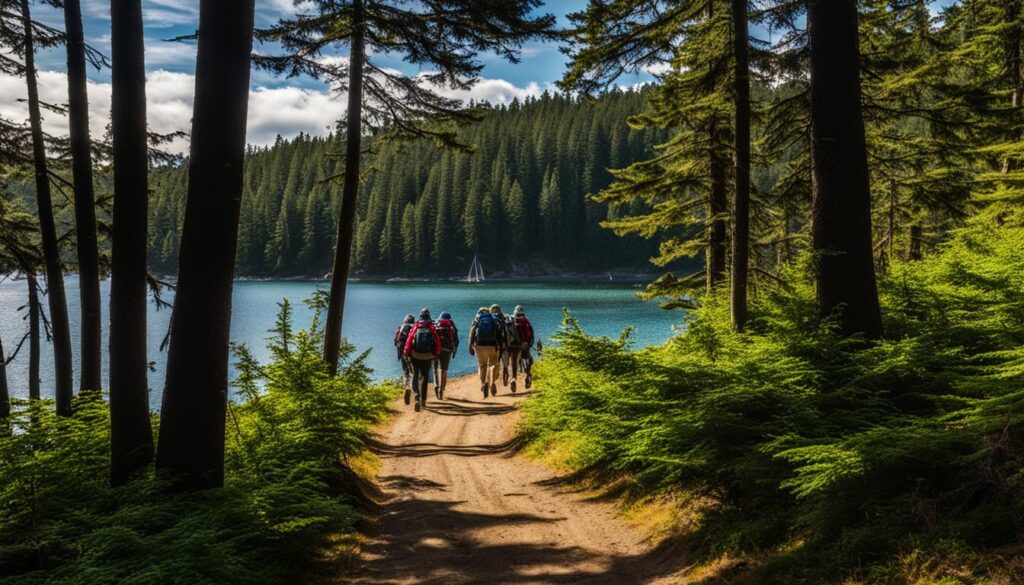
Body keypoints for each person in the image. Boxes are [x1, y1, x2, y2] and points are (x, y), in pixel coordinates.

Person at [403, 308, 441, 412]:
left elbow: (409, 340)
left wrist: (406, 353)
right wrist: (437, 353)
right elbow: (437, 342)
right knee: (424, 378)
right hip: (427, 356)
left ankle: (416, 395)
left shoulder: (416, 326)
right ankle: (423, 400)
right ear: (429, 316)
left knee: (415, 375)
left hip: (416, 355)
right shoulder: (432, 327)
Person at [469, 306, 501, 398]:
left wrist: (470, 345)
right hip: (493, 344)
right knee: (493, 364)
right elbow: (499, 332)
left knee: (482, 365)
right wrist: (500, 345)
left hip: (480, 345)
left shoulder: (477, 318)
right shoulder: (493, 318)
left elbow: (472, 332)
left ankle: (483, 383)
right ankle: (491, 382)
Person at [433, 311, 459, 399]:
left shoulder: (436, 325)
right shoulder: (451, 326)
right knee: (444, 370)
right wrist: (454, 352)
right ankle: (442, 389)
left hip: (436, 350)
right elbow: (456, 340)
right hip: (447, 350)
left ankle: (436, 384)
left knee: (435, 368)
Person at [393, 314, 416, 404]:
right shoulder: (414, 327)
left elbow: (395, 341)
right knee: (413, 372)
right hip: (412, 354)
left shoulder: (401, 328)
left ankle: (405, 387)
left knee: (405, 371)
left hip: (403, 354)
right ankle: (413, 390)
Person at [513, 305, 536, 390]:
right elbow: (531, 334)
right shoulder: (525, 320)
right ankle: (528, 375)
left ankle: (515, 374)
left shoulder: (512, 320)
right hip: (524, 345)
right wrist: (529, 344)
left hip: (514, 346)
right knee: (530, 359)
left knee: (515, 360)